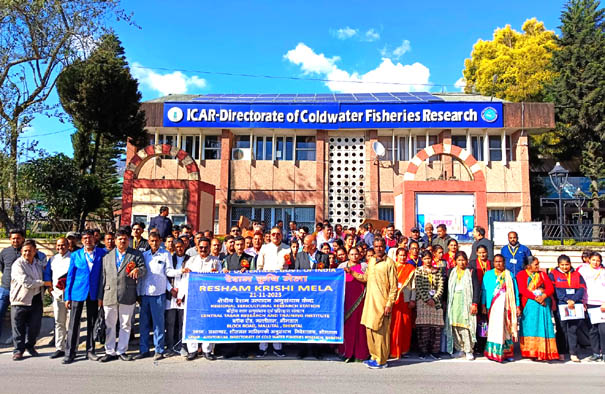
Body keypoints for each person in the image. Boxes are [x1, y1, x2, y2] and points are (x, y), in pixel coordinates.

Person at [345, 238, 397, 369]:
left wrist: (389, 304)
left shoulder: (389, 263)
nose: (378, 249)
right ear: (373, 247)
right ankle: (374, 356)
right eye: (376, 246)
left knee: (380, 331)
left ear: (385, 247)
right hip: (370, 302)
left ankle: (381, 360)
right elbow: (366, 278)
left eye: (381, 246)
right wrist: (352, 272)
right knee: (369, 329)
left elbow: (394, 287)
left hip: (382, 302)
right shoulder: (372, 260)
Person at [98, 229, 145, 362]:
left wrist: (138, 270)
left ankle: (122, 350)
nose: (122, 241)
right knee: (110, 324)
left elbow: (144, 269)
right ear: (115, 240)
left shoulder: (135, 255)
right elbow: (102, 277)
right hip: (109, 294)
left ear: (128, 240)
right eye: (120, 239)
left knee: (125, 324)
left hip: (127, 293)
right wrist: (100, 297)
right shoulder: (107, 256)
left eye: (125, 239)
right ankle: (109, 350)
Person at [63, 230, 107, 364]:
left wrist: (102, 295)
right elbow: (70, 276)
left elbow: (104, 276)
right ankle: (70, 352)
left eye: (90, 238)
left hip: (94, 293)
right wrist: (67, 296)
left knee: (92, 322)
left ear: (95, 239)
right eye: (85, 238)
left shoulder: (102, 254)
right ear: (82, 241)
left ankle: (90, 350)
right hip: (78, 292)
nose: (88, 240)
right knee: (74, 323)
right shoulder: (76, 255)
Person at [179, 237, 221, 361]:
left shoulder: (215, 261)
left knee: (208, 322)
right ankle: (192, 350)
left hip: (209, 298)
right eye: (201, 247)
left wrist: (216, 274)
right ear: (197, 247)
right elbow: (185, 279)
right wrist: (181, 295)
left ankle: (207, 350)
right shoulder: (191, 261)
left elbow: (220, 279)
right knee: (192, 322)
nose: (203, 249)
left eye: (205, 247)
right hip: (193, 297)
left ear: (209, 248)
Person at [136, 232, 173, 361]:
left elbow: (169, 271)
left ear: (160, 241)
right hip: (145, 294)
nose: (154, 243)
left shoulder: (165, 254)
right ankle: (144, 349)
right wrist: (138, 293)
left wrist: (181, 271)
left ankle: (159, 349)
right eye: (151, 241)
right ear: (149, 241)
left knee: (158, 324)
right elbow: (141, 276)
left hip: (159, 294)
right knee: (144, 324)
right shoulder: (144, 255)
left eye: (156, 241)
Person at [255, 227, 290, 357]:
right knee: (264, 317)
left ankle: (277, 347)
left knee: (278, 317)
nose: (275, 236)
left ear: (282, 235)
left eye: (278, 234)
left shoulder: (287, 248)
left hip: (282, 287)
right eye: (273, 234)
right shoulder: (264, 248)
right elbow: (259, 267)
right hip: (265, 286)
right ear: (270, 235)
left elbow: (290, 266)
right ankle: (262, 346)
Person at [516, 256, 559, 361]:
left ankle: (543, 351)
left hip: (543, 305)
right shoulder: (521, 275)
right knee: (530, 327)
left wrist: (543, 296)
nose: (538, 266)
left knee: (542, 326)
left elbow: (550, 288)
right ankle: (531, 351)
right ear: (528, 266)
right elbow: (522, 290)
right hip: (529, 305)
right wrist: (536, 298)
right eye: (536, 264)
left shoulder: (542, 274)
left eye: (538, 264)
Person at [10, 240, 45, 361]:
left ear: (35, 251)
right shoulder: (18, 264)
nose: (27, 253)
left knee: (34, 326)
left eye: (30, 251)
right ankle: (18, 350)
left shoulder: (38, 264)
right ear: (21, 252)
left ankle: (30, 346)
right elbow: (26, 282)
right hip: (20, 299)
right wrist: (43, 283)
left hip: (36, 299)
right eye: (25, 251)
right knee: (18, 327)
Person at [481, 254, 520, 363]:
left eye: (501, 261)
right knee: (494, 330)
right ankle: (493, 353)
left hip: (507, 307)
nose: (499, 263)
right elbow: (484, 291)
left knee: (506, 330)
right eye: (496, 261)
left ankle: (507, 353)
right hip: (492, 306)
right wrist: (483, 305)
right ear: (493, 263)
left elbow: (515, 291)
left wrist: (517, 305)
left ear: (504, 262)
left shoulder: (509, 275)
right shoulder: (488, 275)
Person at [549, 254, 585, 362]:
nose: (565, 267)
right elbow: (554, 289)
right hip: (561, 305)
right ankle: (561, 352)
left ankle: (573, 352)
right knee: (561, 329)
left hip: (574, 305)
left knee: (573, 329)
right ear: (558, 264)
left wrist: (573, 299)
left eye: (567, 264)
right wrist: (566, 299)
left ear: (570, 264)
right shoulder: (553, 274)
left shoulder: (577, 274)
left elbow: (582, 288)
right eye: (562, 265)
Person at [445, 251, 479, 360]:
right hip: (454, 302)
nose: (461, 262)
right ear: (455, 261)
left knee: (466, 326)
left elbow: (476, 288)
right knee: (454, 326)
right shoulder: (451, 272)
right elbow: (447, 288)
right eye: (459, 260)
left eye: (463, 260)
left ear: (467, 261)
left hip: (466, 302)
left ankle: (469, 350)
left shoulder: (471, 272)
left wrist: (474, 303)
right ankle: (459, 348)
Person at [338, 247, 369, 362]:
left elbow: (367, 280)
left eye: (356, 254)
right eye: (352, 254)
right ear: (348, 255)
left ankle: (360, 353)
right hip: (346, 301)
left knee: (360, 327)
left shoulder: (364, 267)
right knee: (348, 327)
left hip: (360, 300)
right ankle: (346, 352)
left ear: (360, 255)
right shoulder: (342, 267)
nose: (354, 256)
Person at [43, 237, 71, 359]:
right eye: (58, 245)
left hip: (71, 295)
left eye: (63, 245)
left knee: (71, 322)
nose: (61, 247)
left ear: (68, 245)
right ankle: (60, 347)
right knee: (59, 322)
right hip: (57, 294)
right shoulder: (53, 259)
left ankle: (71, 347)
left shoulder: (73, 258)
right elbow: (47, 274)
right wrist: (50, 288)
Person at [415, 250, 445, 359]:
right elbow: (418, 286)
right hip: (423, 302)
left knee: (436, 328)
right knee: (424, 328)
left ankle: (435, 351)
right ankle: (423, 351)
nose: (428, 260)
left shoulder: (437, 271)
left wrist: (435, 298)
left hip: (436, 303)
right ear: (422, 260)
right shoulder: (418, 271)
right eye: (425, 258)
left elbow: (441, 286)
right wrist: (427, 299)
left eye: (429, 258)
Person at [577, 252, 605, 362]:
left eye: (598, 260)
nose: (595, 262)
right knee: (592, 330)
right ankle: (595, 353)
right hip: (588, 303)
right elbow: (580, 286)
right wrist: (582, 301)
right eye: (593, 260)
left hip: (601, 304)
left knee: (603, 329)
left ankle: (604, 352)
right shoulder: (583, 271)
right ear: (589, 260)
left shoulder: (603, 272)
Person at [164, 239, 189, 357]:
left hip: (183, 296)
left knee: (182, 323)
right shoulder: (169, 259)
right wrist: (171, 290)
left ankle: (182, 346)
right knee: (170, 322)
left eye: (181, 246)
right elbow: (164, 275)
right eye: (177, 247)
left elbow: (188, 278)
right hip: (171, 295)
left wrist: (181, 295)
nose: (179, 249)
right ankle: (170, 346)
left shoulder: (189, 259)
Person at [390, 246, 416, 359]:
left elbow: (414, 286)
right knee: (393, 325)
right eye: (400, 255)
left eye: (404, 255)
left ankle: (404, 349)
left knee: (405, 324)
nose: (402, 257)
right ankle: (392, 350)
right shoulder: (392, 267)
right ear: (396, 256)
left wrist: (412, 299)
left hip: (405, 299)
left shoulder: (410, 268)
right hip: (393, 300)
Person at [0, 228, 26, 339]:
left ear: (23, 239)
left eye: (18, 238)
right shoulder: (5, 252)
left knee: (20, 317)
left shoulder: (27, 251)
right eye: (13, 238)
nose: (16, 240)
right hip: (6, 289)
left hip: (21, 291)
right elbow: (2, 268)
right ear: (10, 239)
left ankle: (21, 343)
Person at [468, 244, 492, 354]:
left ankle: (485, 344)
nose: (482, 254)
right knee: (477, 321)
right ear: (476, 253)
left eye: (484, 252)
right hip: (476, 294)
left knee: (486, 321)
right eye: (480, 253)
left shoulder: (490, 263)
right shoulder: (472, 264)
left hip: (489, 295)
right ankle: (477, 345)